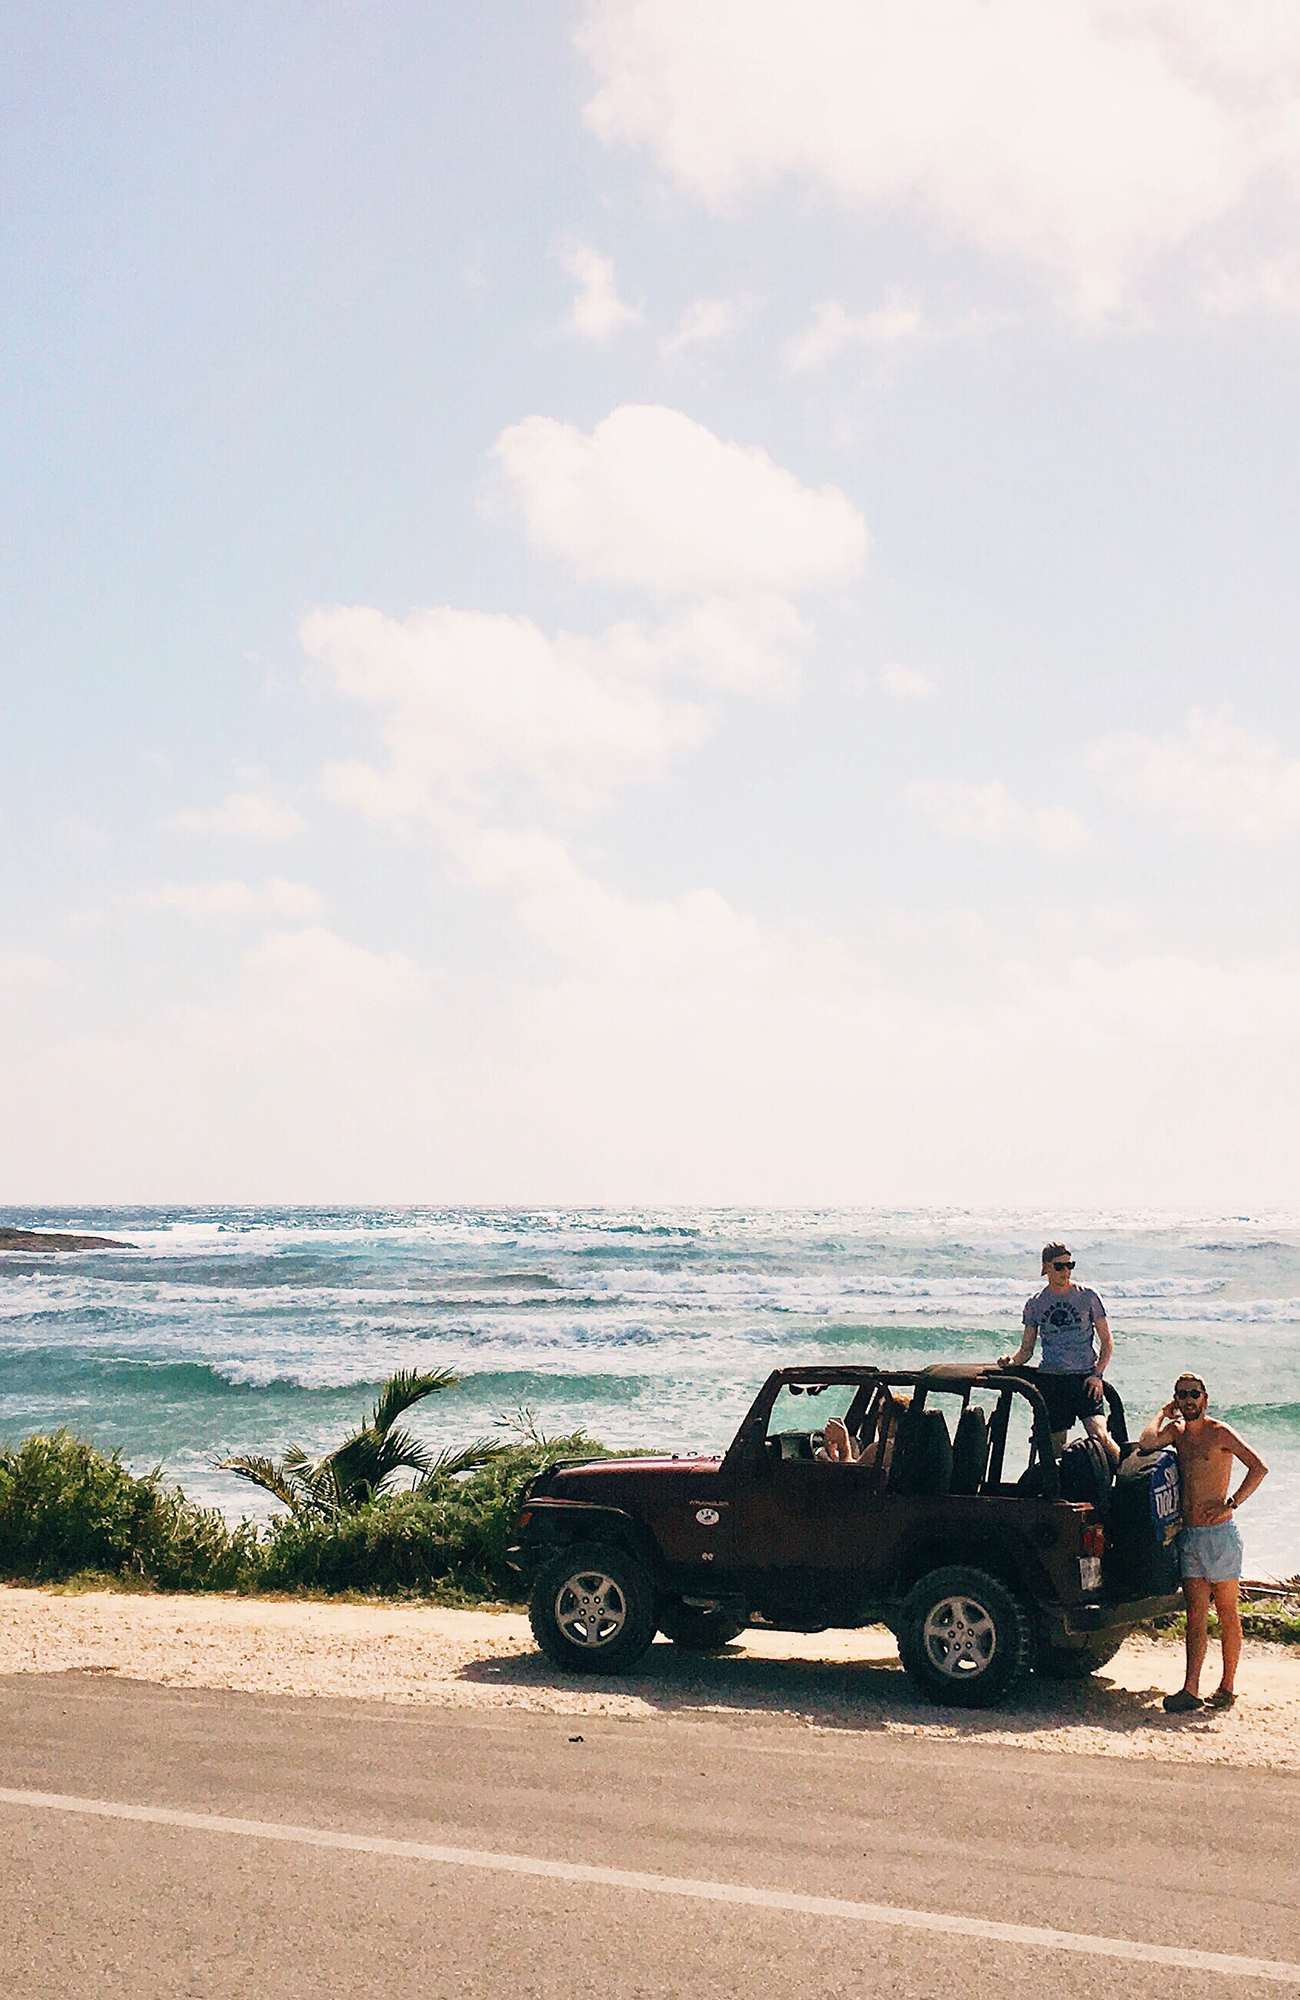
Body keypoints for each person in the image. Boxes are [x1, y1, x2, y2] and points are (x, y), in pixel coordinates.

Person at [1138, 1374, 1268, 1714]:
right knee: (1195, 1615)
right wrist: (1162, 1413)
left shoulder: (1220, 1432)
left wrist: (1232, 1502)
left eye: (1194, 1394)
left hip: (1220, 1537)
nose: (1188, 1400)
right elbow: (1147, 1443)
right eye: (1182, 1395)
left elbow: (1258, 1467)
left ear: (1205, 1399)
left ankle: (1227, 1686)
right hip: (1191, 1536)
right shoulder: (1178, 1434)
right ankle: (1190, 1689)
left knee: (1227, 1613)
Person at [997, 1241, 1119, 1463]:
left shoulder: (1088, 1296)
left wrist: (1097, 1375)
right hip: (1052, 1380)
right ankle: (1058, 1493)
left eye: (1070, 1265)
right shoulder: (1036, 1303)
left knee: (1099, 1435)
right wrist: (1011, 1361)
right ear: (1046, 1267)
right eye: (1060, 1266)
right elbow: (1026, 1349)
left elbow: (1107, 1342)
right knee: (1054, 1449)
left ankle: (1127, 1478)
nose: (1066, 1271)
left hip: (1084, 1378)